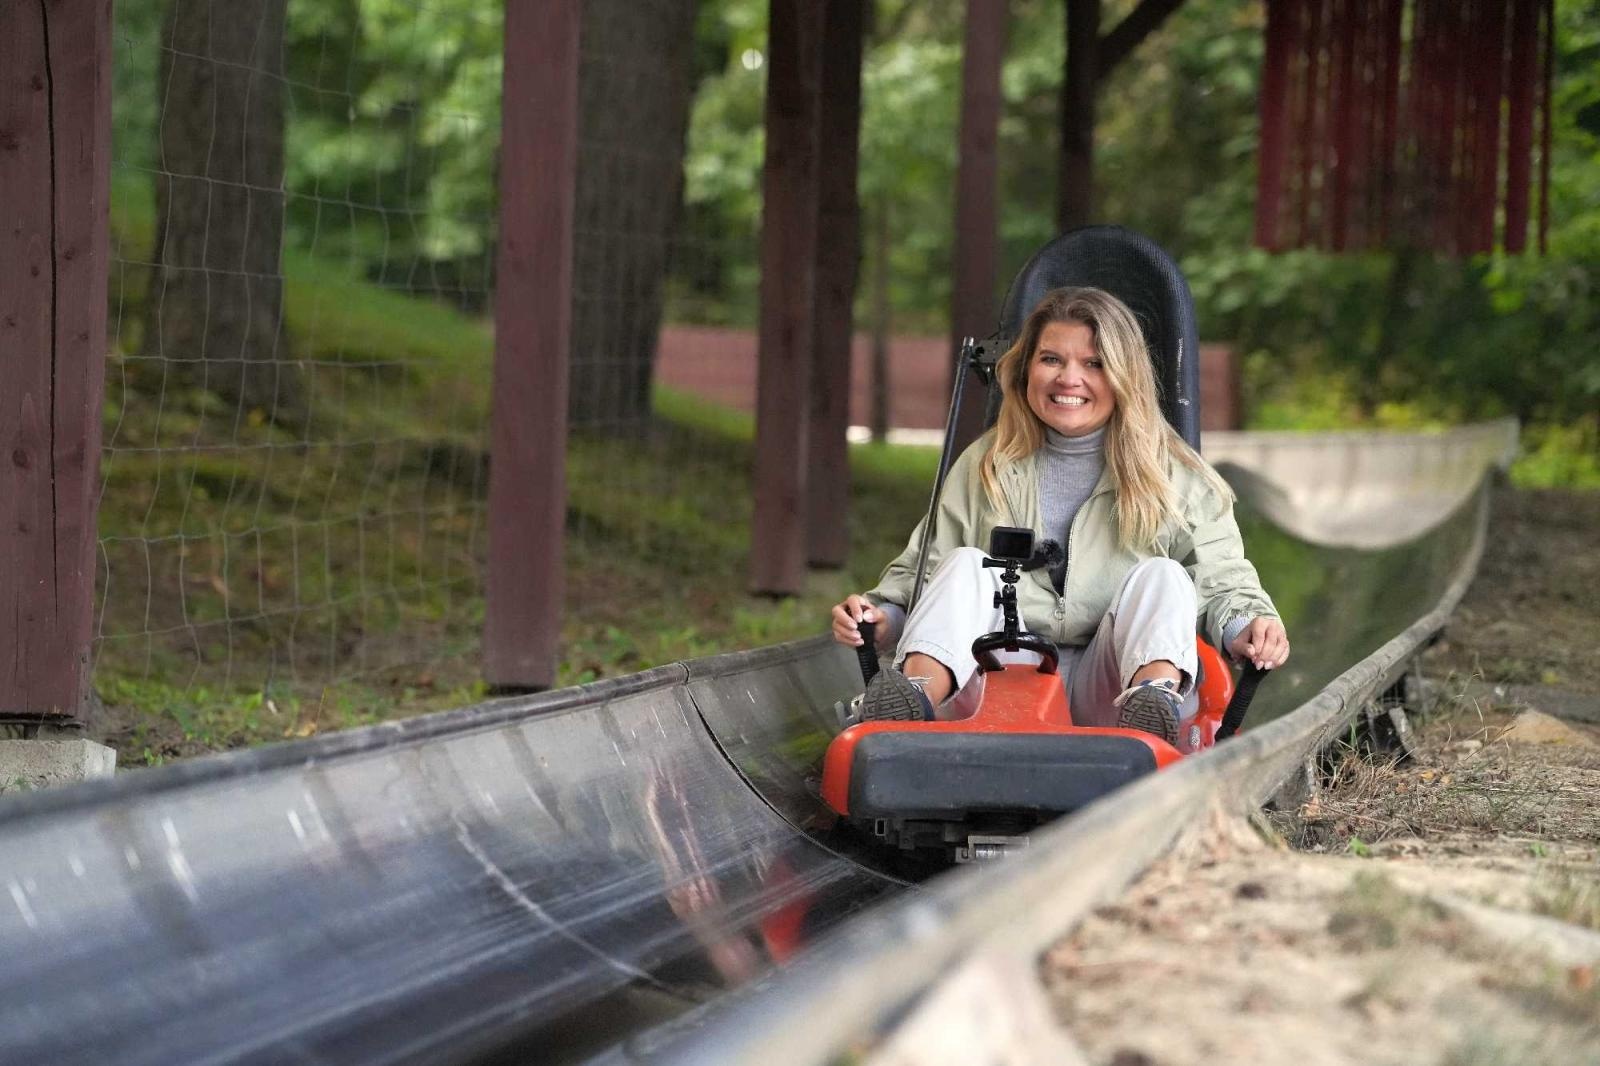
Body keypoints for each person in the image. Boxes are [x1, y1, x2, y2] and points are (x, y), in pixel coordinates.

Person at [829, 286, 1289, 747]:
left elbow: (1222, 578)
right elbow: (927, 569)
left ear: (1123, 376)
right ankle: (912, 700)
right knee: (968, 562)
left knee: (1164, 575)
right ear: (1026, 368)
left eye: (1094, 363)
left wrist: (1249, 625)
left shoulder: (1176, 474)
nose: (1069, 379)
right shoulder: (985, 463)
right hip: (1004, 676)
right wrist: (882, 615)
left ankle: (1154, 704)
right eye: (1051, 359)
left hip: (1112, 684)